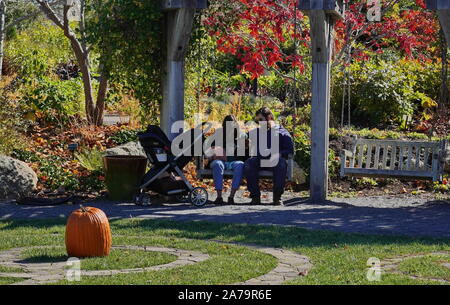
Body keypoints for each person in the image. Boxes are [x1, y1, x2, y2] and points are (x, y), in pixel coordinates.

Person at [244, 107, 294, 206]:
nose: (259, 123)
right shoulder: (256, 132)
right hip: (260, 160)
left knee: (281, 163)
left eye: (261, 120)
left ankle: (277, 197)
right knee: (249, 163)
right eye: (257, 121)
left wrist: (280, 153)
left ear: (270, 117)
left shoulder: (281, 132)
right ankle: (255, 197)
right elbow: (243, 138)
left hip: (274, 160)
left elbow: (290, 150)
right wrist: (244, 142)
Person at [206, 115, 246, 205]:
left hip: (233, 162)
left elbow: (248, 147)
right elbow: (209, 148)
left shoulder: (241, 135)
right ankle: (219, 196)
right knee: (217, 164)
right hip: (220, 161)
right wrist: (215, 151)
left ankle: (231, 197)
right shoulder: (218, 134)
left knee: (240, 164)